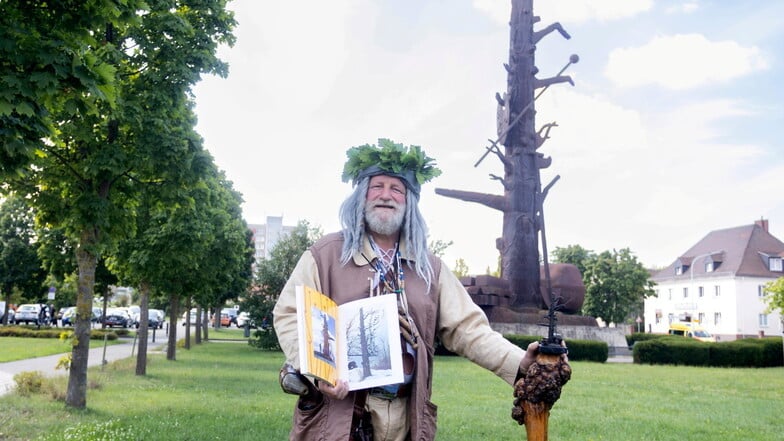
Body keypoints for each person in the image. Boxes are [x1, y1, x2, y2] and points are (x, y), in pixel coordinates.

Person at [273, 139, 563, 441]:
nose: (386, 196)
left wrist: (519, 362)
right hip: (339, 414)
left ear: (408, 201)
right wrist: (318, 372)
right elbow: (290, 314)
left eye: (396, 189)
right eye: (377, 186)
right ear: (361, 196)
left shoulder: (429, 267)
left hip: (405, 416)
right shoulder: (325, 255)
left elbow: (468, 329)